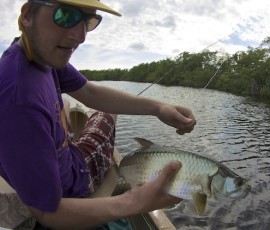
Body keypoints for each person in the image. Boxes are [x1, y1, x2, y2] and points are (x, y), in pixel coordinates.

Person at [0, 0, 196, 229]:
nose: (81, 36)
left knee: (91, 106)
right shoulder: (18, 99)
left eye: (89, 21)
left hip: (66, 157)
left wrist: (158, 108)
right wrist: (133, 202)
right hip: (74, 183)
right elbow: (49, 213)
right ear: (26, 16)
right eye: (66, 16)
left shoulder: (40, 55)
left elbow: (89, 91)